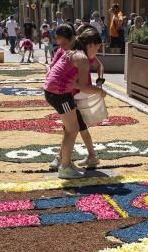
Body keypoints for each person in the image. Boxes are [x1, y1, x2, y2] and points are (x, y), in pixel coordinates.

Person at [43, 27, 105, 180]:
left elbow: (76, 84)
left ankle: (65, 163)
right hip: (59, 93)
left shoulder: (75, 53)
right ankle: (64, 167)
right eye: (97, 49)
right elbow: (83, 86)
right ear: (90, 45)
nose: (96, 54)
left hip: (57, 92)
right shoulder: (82, 58)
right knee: (72, 130)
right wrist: (99, 91)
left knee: (71, 129)